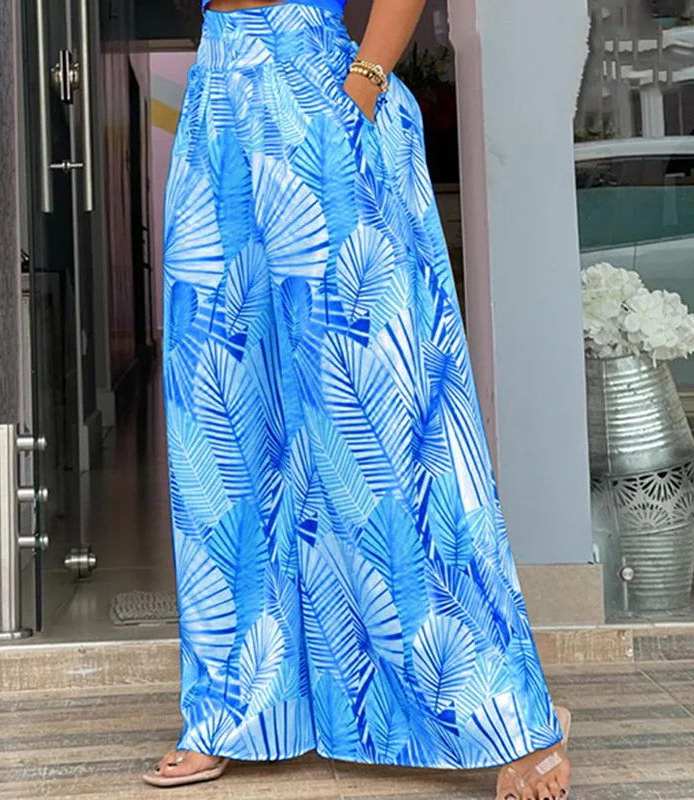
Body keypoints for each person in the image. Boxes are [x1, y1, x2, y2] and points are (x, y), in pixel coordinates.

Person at [146, 1, 572, 798]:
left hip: (317, 90)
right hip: (216, 97)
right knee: (224, 416)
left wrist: (363, 88)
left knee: (376, 423)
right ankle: (237, 709)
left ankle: (503, 712)